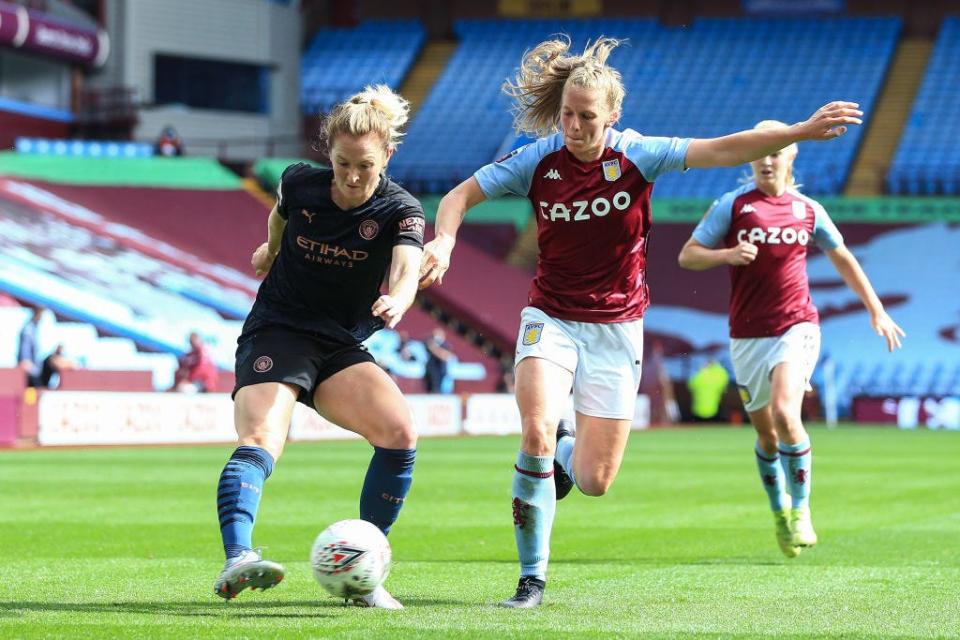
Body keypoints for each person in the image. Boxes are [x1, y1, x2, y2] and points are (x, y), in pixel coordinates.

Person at [417, 36, 863, 608]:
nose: (573, 127)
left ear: (613, 115)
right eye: (567, 116)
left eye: (586, 118)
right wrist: (446, 240)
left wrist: (800, 130)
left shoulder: (638, 155)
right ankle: (532, 580)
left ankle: (564, 451)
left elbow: (727, 150)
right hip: (549, 316)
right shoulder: (537, 160)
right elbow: (457, 197)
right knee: (533, 430)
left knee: (596, 480)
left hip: (616, 327)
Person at [213, 85, 424, 609]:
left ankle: (365, 573)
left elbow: (405, 266)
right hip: (278, 329)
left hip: (339, 344)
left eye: (366, 166)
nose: (352, 177)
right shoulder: (298, 184)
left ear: (388, 157)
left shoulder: (402, 209)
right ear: (327, 153)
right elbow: (281, 216)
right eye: (342, 163)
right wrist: (272, 250)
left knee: (400, 433)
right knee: (263, 434)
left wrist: (398, 298)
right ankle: (238, 557)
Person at [677, 119, 904, 558]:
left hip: (797, 325)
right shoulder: (733, 206)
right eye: (761, 151)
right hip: (746, 336)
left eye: (776, 150)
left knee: (785, 411)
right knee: (766, 438)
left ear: (791, 154)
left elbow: (843, 258)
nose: (767, 159)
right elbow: (687, 255)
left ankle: (802, 510)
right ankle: (780, 510)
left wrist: (876, 309)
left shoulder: (808, 210)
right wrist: (726, 254)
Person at [687, 358, 730, 422]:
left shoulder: (701, 373)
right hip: (715, 408)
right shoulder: (721, 372)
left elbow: (691, 385)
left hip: (698, 409)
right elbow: (723, 387)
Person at [17, 307, 45, 388]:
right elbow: (25, 347)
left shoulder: (34, 328)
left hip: (34, 367)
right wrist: (25, 360)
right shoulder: (28, 329)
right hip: (30, 367)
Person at [423, 327, 454, 393]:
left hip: (440, 370)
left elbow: (446, 356)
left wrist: (434, 348)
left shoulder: (445, 345)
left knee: (437, 390)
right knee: (429, 389)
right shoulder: (428, 342)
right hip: (430, 370)